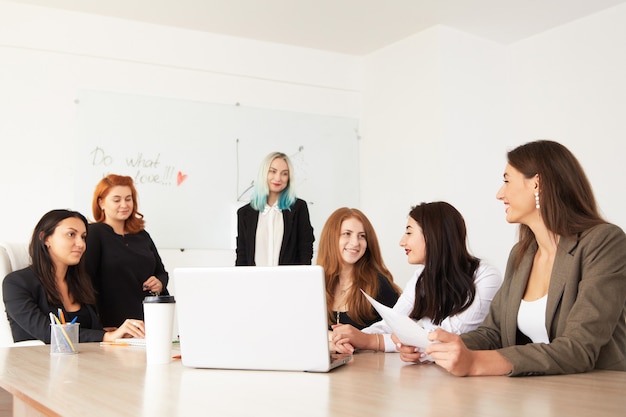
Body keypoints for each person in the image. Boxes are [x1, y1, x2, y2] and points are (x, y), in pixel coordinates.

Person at [400, 140, 626, 376]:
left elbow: (579, 348)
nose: (500, 194)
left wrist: (476, 363)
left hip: (596, 397)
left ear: (537, 183)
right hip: (535, 396)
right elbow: (493, 333)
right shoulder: (521, 254)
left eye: (507, 180)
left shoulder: (604, 242)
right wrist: (433, 348)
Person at [332, 201, 503, 354]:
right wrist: (350, 338)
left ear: (432, 235)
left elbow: (449, 336)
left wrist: (369, 341)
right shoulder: (421, 277)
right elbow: (393, 322)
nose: (402, 241)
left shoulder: (486, 277)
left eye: (409, 233)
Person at [3, 209, 145, 343]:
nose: (81, 244)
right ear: (45, 238)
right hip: (37, 364)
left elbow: (89, 330)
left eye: (83, 237)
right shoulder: (16, 283)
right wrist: (105, 336)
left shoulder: (80, 283)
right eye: (71, 234)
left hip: (84, 362)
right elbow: (49, 334)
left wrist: (110, 333)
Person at [84, 174, 169, 328]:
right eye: (117, 200)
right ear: (101, 203)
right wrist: (97, 326)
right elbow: (85, 280)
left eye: (128, 199)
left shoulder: (142, 235)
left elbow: (161, 273)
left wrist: (160, 283)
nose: (124, 205)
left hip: (147, 321)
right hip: (112, 324)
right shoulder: (94, 233)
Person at [317, 207, 401, 330]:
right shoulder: (315, 283)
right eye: (347, 234)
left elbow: (398, 336)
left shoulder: (378, 285)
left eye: (362, 236)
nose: (355, 242)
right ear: (331, 238)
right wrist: (332, 339)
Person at [236, 152, 315, 266]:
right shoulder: (245, 213)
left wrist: (300, 280)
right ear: (264, 173)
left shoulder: (298, 208)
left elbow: (305, 249)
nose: (278, 178)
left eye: (284, 174)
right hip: (254, 281)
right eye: (272, 171)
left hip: (288, 281)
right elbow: (242, 255)